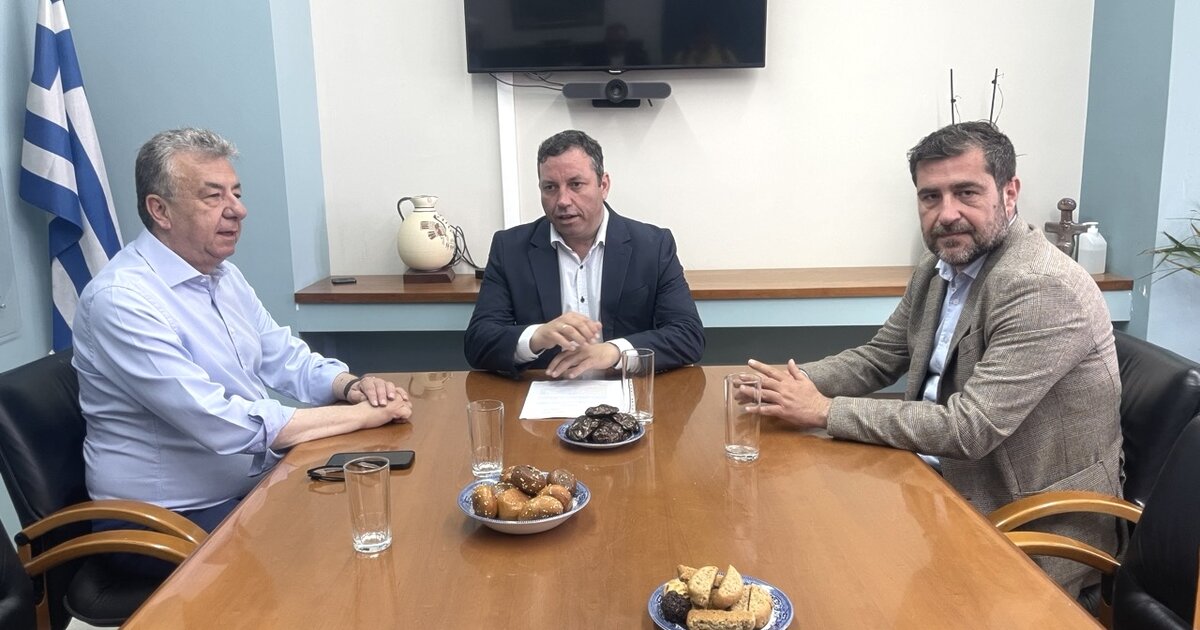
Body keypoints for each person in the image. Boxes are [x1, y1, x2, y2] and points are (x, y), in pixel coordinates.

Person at [746, 121, 1123, 597]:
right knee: (793, 538)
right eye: (931, 197)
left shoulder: (1041, 286)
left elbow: (970, 428)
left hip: (1025, 522)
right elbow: (880, 356)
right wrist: (783, 383)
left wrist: (823, 410)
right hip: (931, 480)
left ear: (1009, 193)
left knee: (842, 583)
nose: (947, 214)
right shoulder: (941, 265)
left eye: (966, 192)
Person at [73, 128, 412, 538]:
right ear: (160, 210)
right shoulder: (121, 300)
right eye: (213, 196)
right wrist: (359, 417)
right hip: (164, 519)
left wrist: (351, 386)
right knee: (334, 549)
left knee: (387, 514)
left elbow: (284, 357)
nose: (238, 210)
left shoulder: (223, 276)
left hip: (250, 487)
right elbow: (219, 422)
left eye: (236, 193)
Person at [464, 129, 704, 378]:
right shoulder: (510, 248)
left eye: (575, 184)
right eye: (550, 187)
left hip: (625, 390)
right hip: (546, 390)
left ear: (603, 185)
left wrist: (614, 352)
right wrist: (535, 337)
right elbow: (478, 343)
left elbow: (688, 335)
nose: (563, 200)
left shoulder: (653, 246)